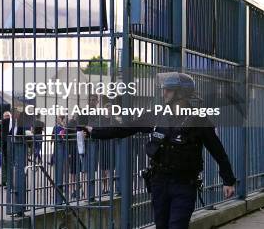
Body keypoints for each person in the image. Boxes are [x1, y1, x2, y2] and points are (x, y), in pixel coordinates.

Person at [85, 72, 236, 229]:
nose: (164, 93)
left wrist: (228, 180)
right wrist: (94, 131)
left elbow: (218, 151)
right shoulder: (157, 115)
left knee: (177, 226)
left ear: (181, 93)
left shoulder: (199, 120)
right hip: (159, 183)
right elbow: (127, 128)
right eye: (164, 89)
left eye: (168, 90)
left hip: (184, 185)